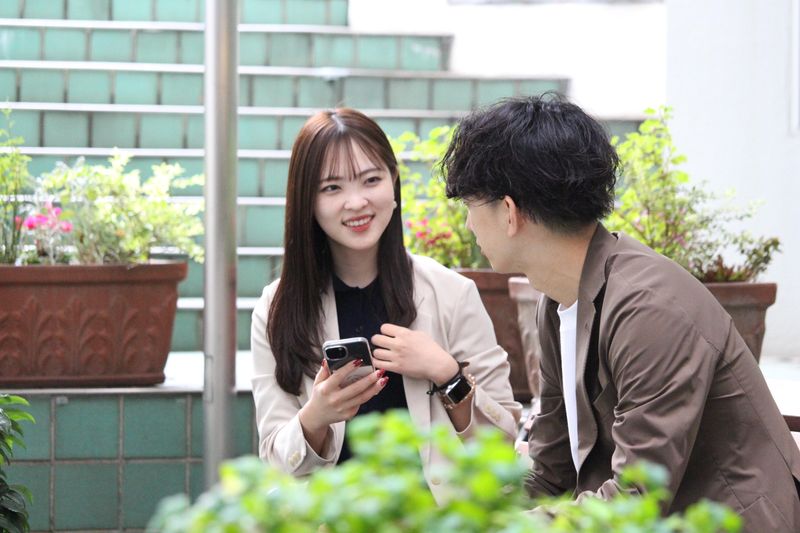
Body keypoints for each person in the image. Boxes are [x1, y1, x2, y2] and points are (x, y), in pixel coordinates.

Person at [441, 94, 800, 531]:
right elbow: (551, 472)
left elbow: (637, 497)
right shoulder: (555, 299)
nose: (468, 224)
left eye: (470, 206)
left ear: (509, 212)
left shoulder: (650, 307)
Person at [250, 108, 521, 502]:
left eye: (371, 180)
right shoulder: (277, 308)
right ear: (307, 200)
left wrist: (447, 374)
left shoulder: (452, 293)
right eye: (332, 188)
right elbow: (276, 462)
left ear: (393, 181)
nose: (356, 202)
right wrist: (316, 416)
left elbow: (503, 444)